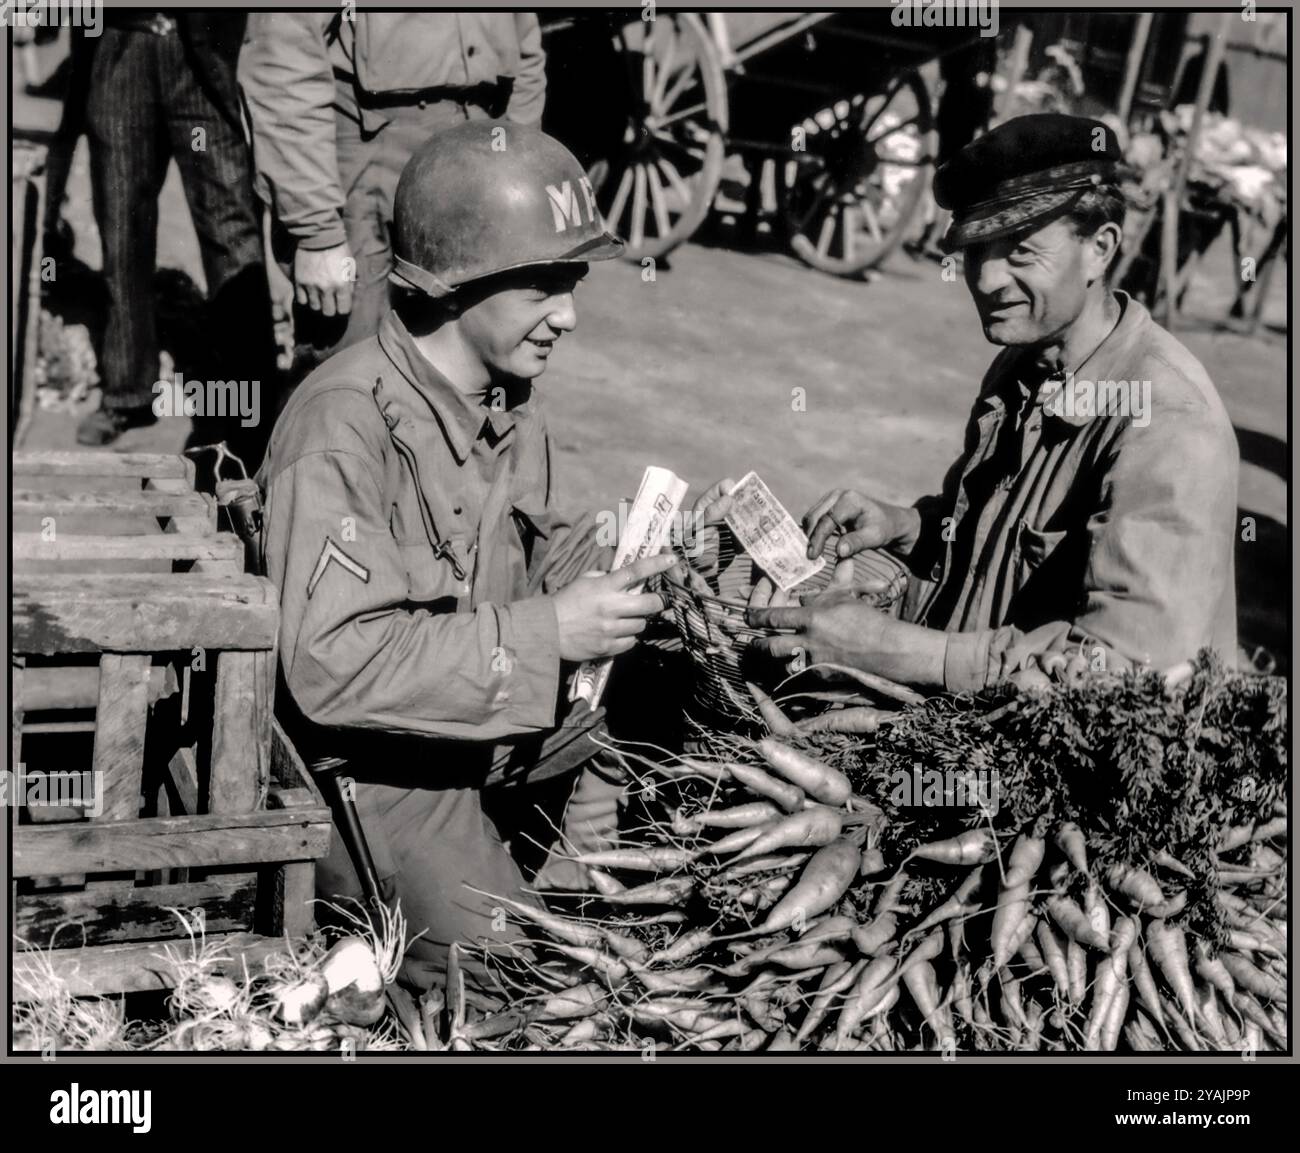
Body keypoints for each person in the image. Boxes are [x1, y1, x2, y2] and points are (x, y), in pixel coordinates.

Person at [257, 120, 673, 990]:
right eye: (543, 287)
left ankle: (552, 895)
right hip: (374, 779)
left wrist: (617, 571)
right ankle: (475, 935)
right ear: (454, 284)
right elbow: (332, 668)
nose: (570, 314)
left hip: (476, 733)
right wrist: (551, 629)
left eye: (573, 283)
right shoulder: (343, 428)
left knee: (677, 694)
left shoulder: (508, 400)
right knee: (518, 987)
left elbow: (529, 555)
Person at [740, 113, 1239, 689]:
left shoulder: (1168, 423)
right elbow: (988, 544)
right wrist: (909, 525)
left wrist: (890, 650)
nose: (988, 279)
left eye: (1022, 252)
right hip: (976, 723)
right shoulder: (1023, 363)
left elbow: (1121, 676)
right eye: (977, 250)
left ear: (1100, 250)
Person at [239, 12, 547, 373]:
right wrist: (315, 228)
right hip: (365, 146)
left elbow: (525, 39)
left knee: (475, 360)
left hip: (480, 143)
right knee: (349, 363)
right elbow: (285, 47)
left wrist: (516, 158)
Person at [76, 9, 278, 452]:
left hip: (202, 49)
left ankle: (252, 404)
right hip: (121, 44)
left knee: (230, 228)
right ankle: (127, 392)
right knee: (120, 221)